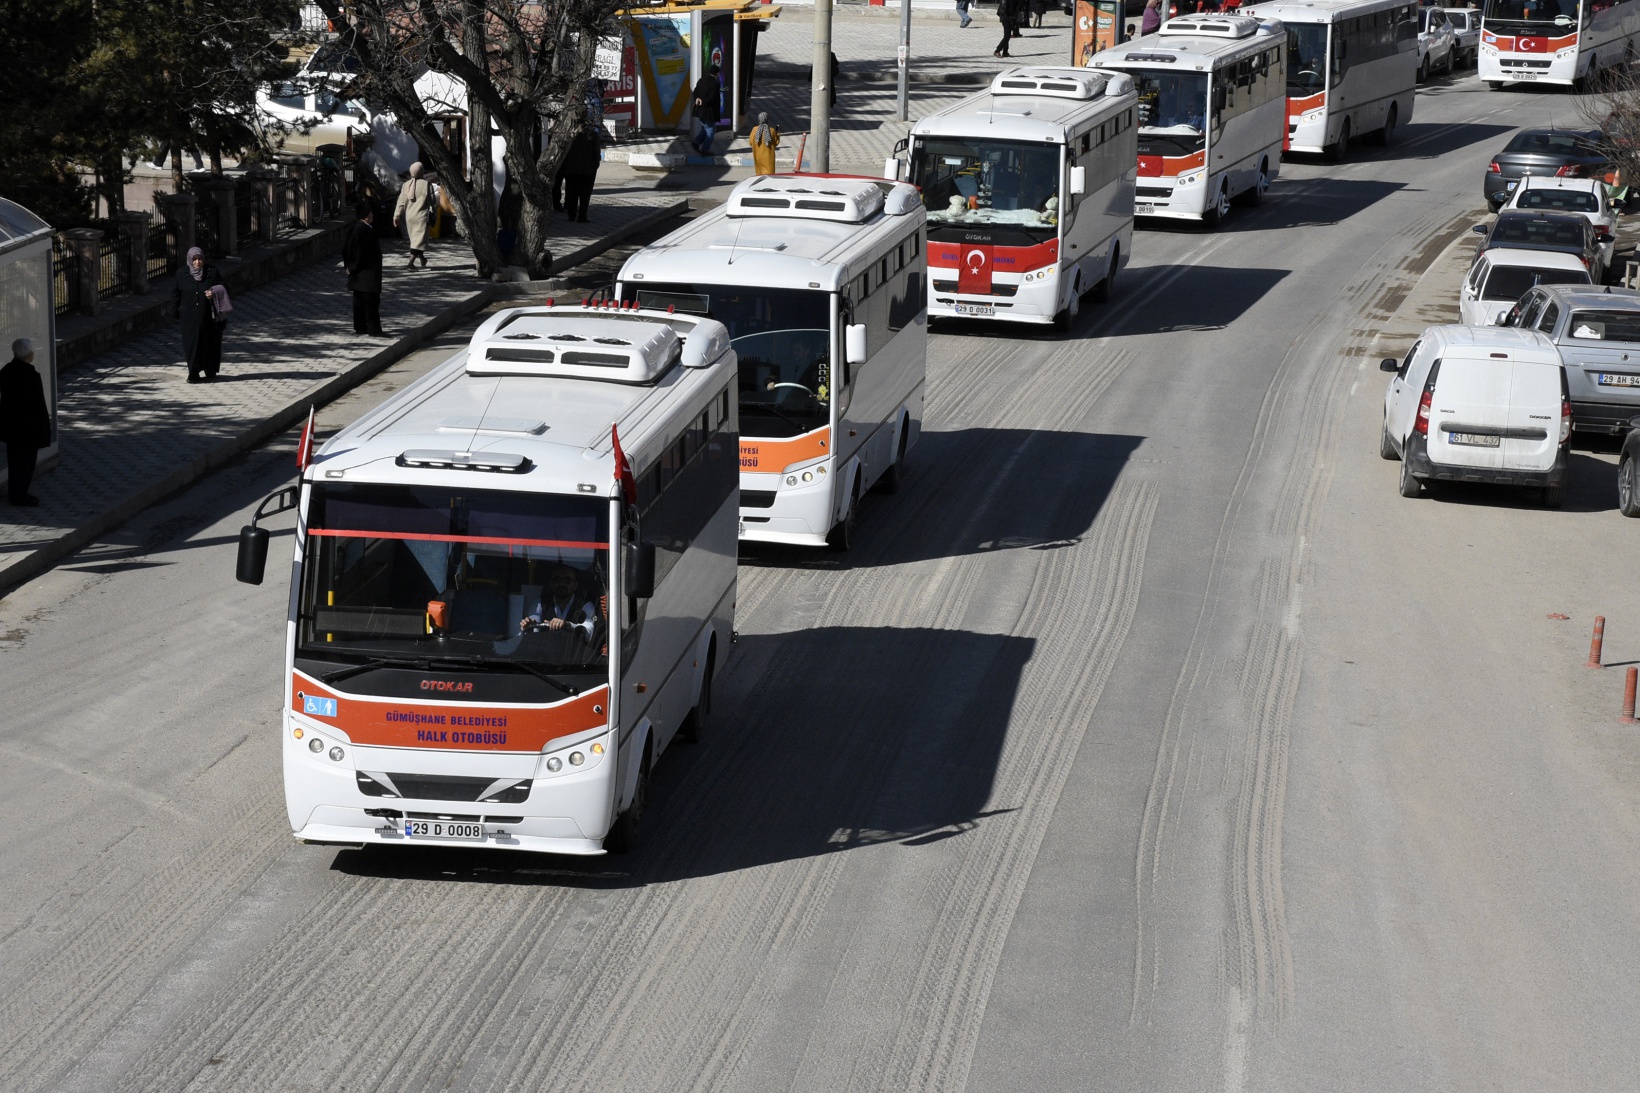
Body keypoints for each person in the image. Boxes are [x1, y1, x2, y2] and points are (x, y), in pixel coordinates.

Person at [0, 338, 51, 507]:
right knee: (26, 464)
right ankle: (20, 496)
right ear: (29, 354)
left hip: (12, 427)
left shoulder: (7, 371)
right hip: (28, 429)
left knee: (15, 463)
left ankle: (16, 493)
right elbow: (37, 405)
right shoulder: (29, 375)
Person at [172, 247, 226, 383]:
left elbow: (224, 288)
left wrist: (213, 292)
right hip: (189, 318)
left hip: (209, 317)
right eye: (194, 259)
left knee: (209, 342)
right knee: (191, 344)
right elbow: (176, 294)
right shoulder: (181, 274)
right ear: (190, 260)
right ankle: (193, 372)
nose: (197, 262)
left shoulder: (211, 272)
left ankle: (210, 369)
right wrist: (175, 311)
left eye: (200, 259)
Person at [342, 201, 385, 337]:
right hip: (366, 274)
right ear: (366, 216)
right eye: (370, 212)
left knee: (359, 302)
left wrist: (348, 266)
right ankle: (374, 329)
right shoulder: (364, 231)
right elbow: (362, 253)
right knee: (371, 302)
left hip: (357, 275)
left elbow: (345, 250)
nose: (372, 215)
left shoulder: (355, 228)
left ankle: (360, 327)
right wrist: (353, 267)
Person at [520, 565, 597, 639]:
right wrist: (530, 626)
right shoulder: (539, 603)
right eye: (557, 580)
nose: (561, 584)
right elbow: (535, 629)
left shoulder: (585, 605)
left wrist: (567, 625)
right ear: (551, 583)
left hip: (573, 651)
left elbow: (588, 633)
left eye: (567, 580)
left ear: (575, 585)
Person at [393, 162, 436, 270]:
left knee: (417, 240)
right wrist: (434, 213)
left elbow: (401, 202)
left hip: (409, 218)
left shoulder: (406, 185)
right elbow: (432, 201)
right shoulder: (426, 185)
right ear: (422, 171)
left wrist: (396, 216)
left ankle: (422, 258)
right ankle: (410, 263)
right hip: (421, 217)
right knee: (418, 241)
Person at [562, 127, 602, 223]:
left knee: (572, 193)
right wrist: (595, 166)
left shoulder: (569, 134)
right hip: (587, 170)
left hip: (571, 169)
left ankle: (571, 215)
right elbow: (596, 153)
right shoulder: (592, 134)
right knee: (585, 195)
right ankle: (582, 216)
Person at [691, 64, 722, 155]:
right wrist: (703, 102)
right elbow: (712, 97)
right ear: (717, 74)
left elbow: (695, 91)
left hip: (700, 110)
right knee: (711, 132)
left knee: (706, 128)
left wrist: (697, 99)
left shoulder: (701, 80)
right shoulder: (715, 84)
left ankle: (696, 142)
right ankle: (705, 150)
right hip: (709, 112)